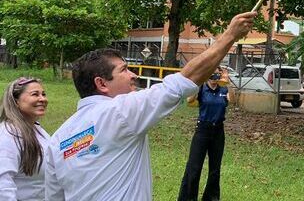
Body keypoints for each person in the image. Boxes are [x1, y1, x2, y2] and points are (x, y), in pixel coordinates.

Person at [44, 11, 256, 201]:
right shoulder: (120, 111)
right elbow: (185, 81)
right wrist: (230, 35)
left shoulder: (57, 141)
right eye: (124, 70)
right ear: (101, 83)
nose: (133, 75)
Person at [178, 66, 230, 201]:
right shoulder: (202, 89)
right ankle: (188, 197)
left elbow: (232, 100)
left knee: (215, 168)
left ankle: (211, 197)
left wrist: (227, 81)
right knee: (194, 167)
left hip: (218, 130)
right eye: (212, 74)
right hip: (202, 130)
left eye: (217, 75)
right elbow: (190, 101)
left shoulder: (223, 89)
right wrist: (200, 81)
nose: (215, 78)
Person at [0, 78, 49, 201]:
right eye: (35, 94)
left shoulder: (37, 129)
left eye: (43, 94)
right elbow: (3, 183)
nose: (42, 99)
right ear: (16, 101)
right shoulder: (8, 133)